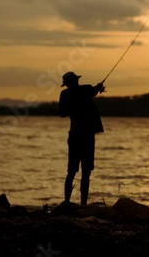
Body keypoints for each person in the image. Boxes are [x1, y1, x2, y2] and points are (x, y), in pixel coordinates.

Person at [59, 71, 105, 205]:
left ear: (66, 84)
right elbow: (94, 91)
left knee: (71, 171)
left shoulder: (65, 94)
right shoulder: (85, 90)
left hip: (74, 135)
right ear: (75, 81)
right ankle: (83, 204)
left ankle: (67, 202)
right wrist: (99, 87)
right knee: (86, 172)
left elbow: (61, 113)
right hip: (87, 137)